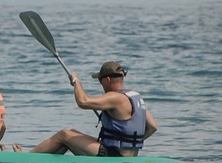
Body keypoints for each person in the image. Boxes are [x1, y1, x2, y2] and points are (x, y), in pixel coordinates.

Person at [13, 61, 157, 157]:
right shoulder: (135, 97)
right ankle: (44, 158)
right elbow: (152, 127)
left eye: (100, 80)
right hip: (130, 154)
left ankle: (27, 158)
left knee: (64, 134)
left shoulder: (115, 97)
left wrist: (76, 81)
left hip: (113, 154)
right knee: (72, 134)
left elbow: (83, 101)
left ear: (106, 80)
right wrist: (130, 143)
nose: (100, 84)